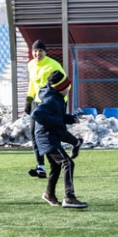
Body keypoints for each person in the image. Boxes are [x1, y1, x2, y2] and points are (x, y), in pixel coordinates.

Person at [25, 40, 83, 179]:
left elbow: (66, 84)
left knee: (56, 131)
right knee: (35, 134)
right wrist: (29, 98)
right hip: (38, 103)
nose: (37, 53)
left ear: (45, 52)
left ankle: (76, 142)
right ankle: (41, 167)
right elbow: (33, 83)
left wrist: (58, 103)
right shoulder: (31, 65)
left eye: (40, 51)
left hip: (53, 102)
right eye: (35, 51)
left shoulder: (53, 65)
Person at [31, 71, 88, 208]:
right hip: (47, 138)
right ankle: (69, 197)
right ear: (59, 88)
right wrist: (57, 120)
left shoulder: (56, 98)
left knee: (56, 167)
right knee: (68, 163)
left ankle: (49, 194)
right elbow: (36, 114)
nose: (68, 90)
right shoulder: (51, 100)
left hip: (52, 136)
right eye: (66, 87)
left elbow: (58, 115)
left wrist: (70, 118)